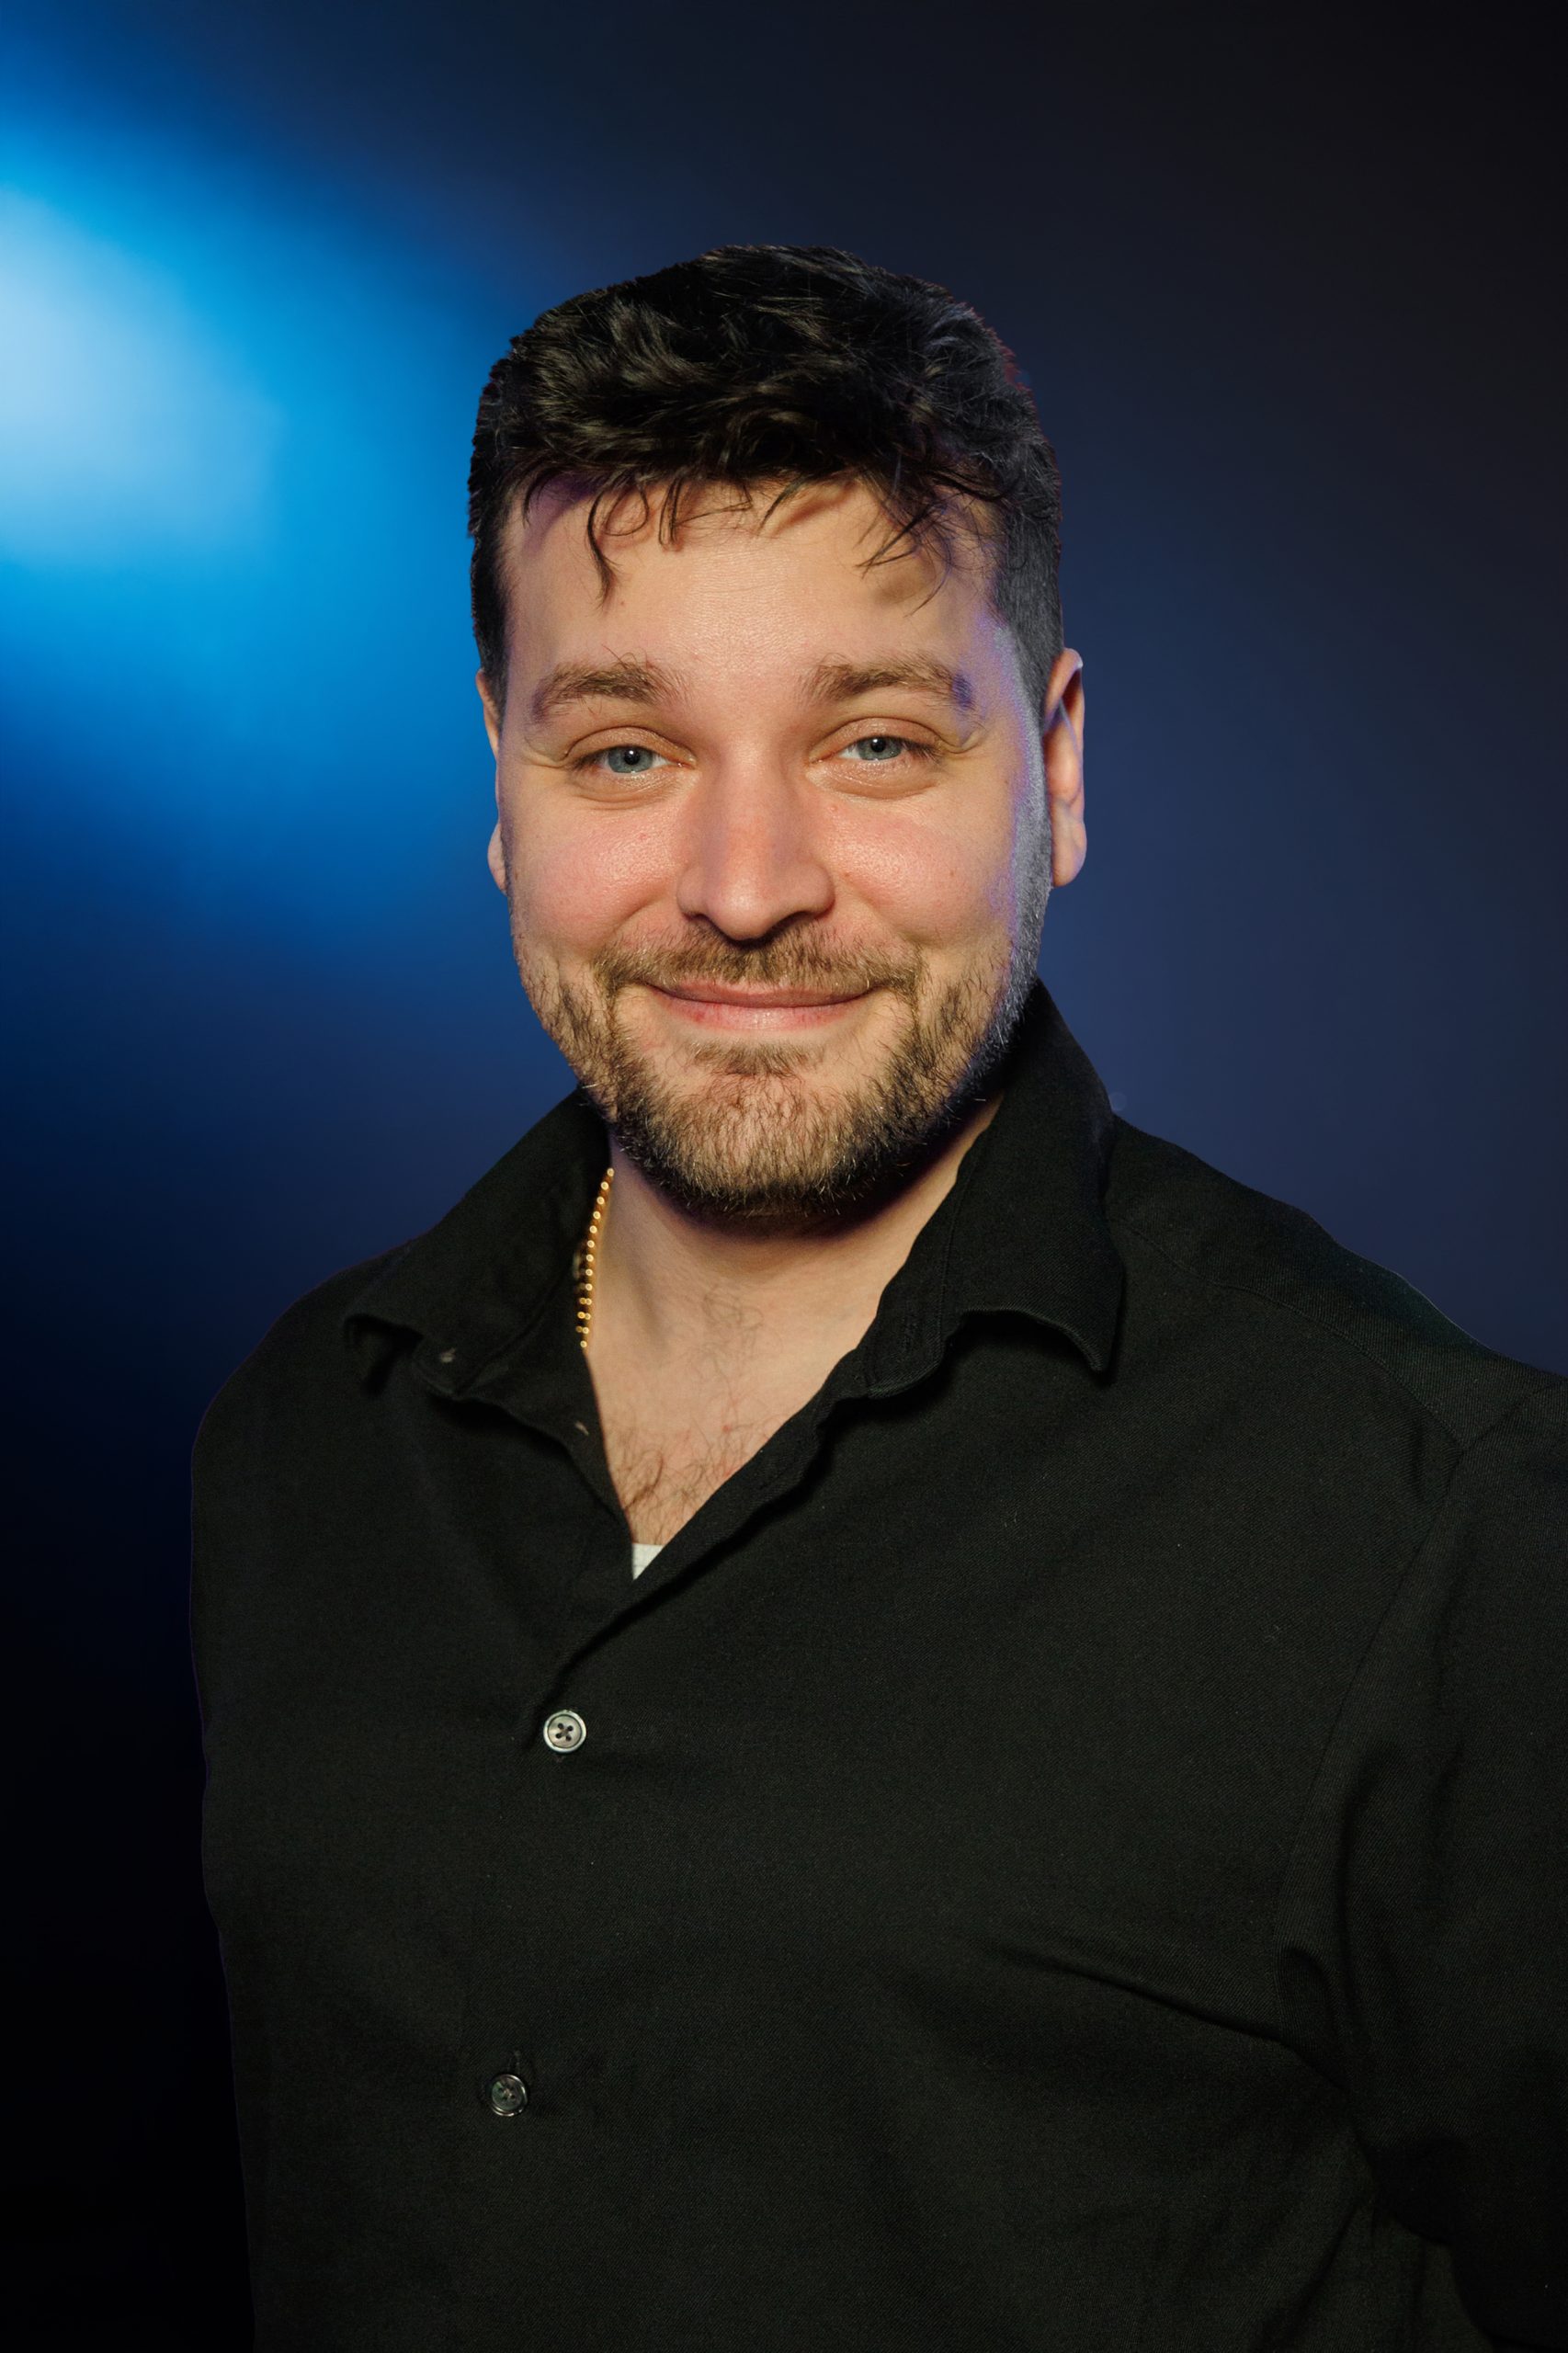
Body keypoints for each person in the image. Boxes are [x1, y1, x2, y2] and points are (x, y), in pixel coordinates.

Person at [190, 243, 1566, 2351]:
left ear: (1058, 773)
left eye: (876, 741)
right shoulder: (302, 1432)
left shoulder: (1439, 1522)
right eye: (625, 752)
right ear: (500, 781)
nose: (746, 886)